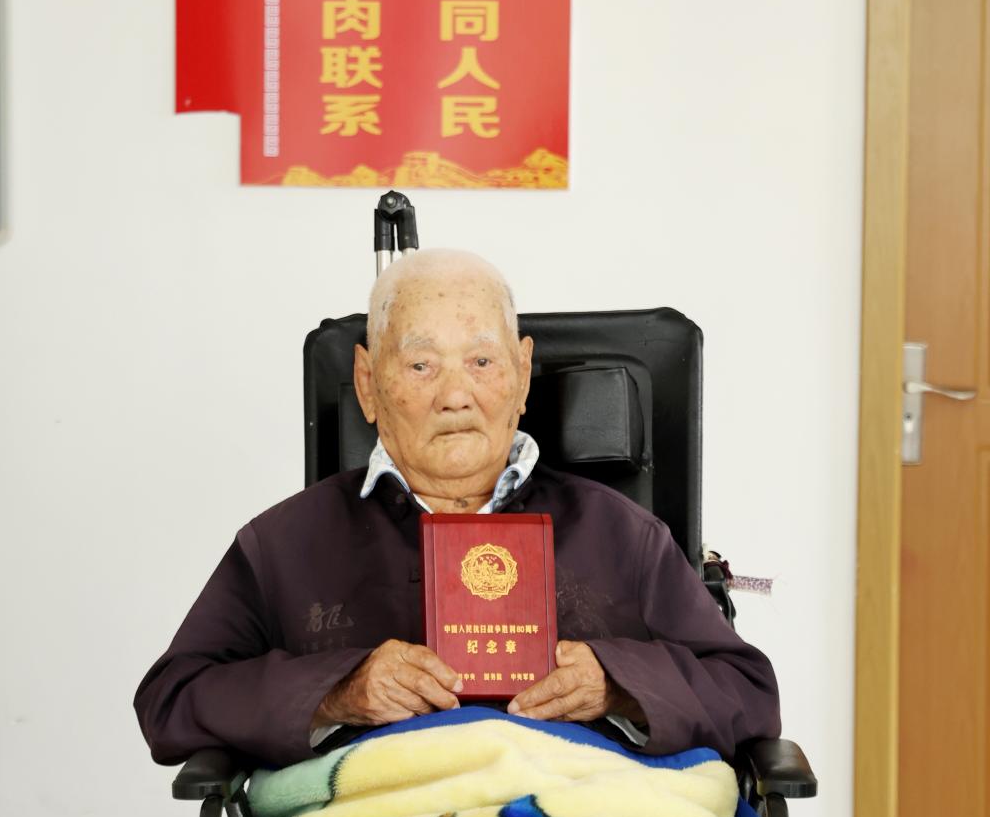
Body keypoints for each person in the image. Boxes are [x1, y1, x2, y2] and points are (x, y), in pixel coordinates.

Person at [135, 250, 780, 770]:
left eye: (481, 361)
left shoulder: (622, 535)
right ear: (368, 383)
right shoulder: (284, 544)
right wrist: (338, 691)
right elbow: (171, 700)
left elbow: (748, 693)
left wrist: (616, 684)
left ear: (522, 374)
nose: (455, 395)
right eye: (421, 364)